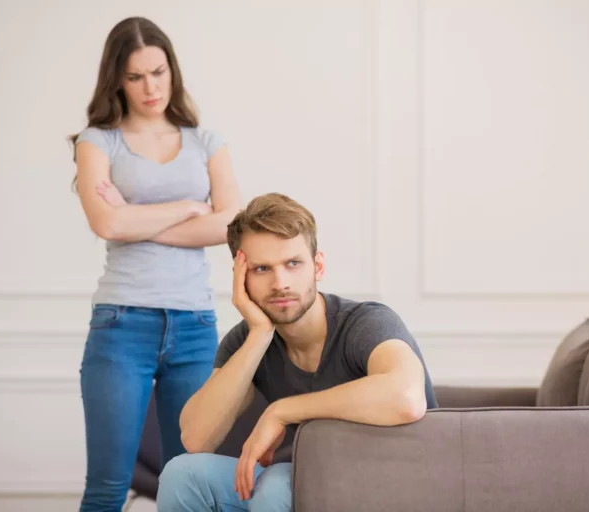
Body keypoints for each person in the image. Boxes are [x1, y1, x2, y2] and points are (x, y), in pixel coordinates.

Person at [156, 193, 438, 511]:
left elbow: (407, 399)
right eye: (262, 269)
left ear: (317, 266)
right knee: (183, 475)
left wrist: (283, 411)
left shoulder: (365, 323)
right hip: (317, 481)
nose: (280, 283)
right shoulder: (249, 339)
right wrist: (260, 335)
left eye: (293, 264)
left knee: (278, 484)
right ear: (241, 277)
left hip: (396, 487)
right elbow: (196, 438)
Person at [70, 16, 242, 512]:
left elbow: (231, 225)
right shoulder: (98, 141)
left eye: (159, 72)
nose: (151, 87)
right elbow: (105, 224)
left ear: (173, 71)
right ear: (116, 80)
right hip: (122, 323)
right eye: (136, 76)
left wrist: (133, 216)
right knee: (107, 485)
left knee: (186, 480)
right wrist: (191, 208)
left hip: (193, 326)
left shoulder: (207, 141)